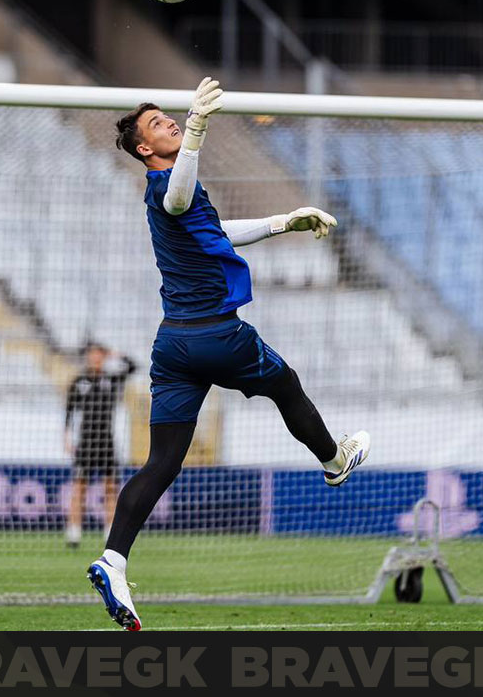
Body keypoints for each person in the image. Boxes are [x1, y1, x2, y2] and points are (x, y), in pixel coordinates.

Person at [86, 76, 370, 631]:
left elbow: (213, 228)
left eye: (170, 117)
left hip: (173, 345)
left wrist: (283, 221)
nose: (167, 121)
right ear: (146, 149)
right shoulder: (166, 181)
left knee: (162, 463)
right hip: (216, 335)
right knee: (286, 384)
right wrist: (195, 129)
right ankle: (334, 462)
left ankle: (114, 559)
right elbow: (178, 194)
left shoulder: (178, 190)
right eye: (156, 123)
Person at [64, 343, 137, 549]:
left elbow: (133, 366)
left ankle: (109, 532)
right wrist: (67, 437)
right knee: (79, 487)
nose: (95, 358)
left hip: (106, 441)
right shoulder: (79, 382)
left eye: (99, 355)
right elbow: (69, 411)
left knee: (111, 488)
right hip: (85, 441)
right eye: (92, 355)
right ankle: (74, 532)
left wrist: (116, 353)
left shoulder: (112, 380)